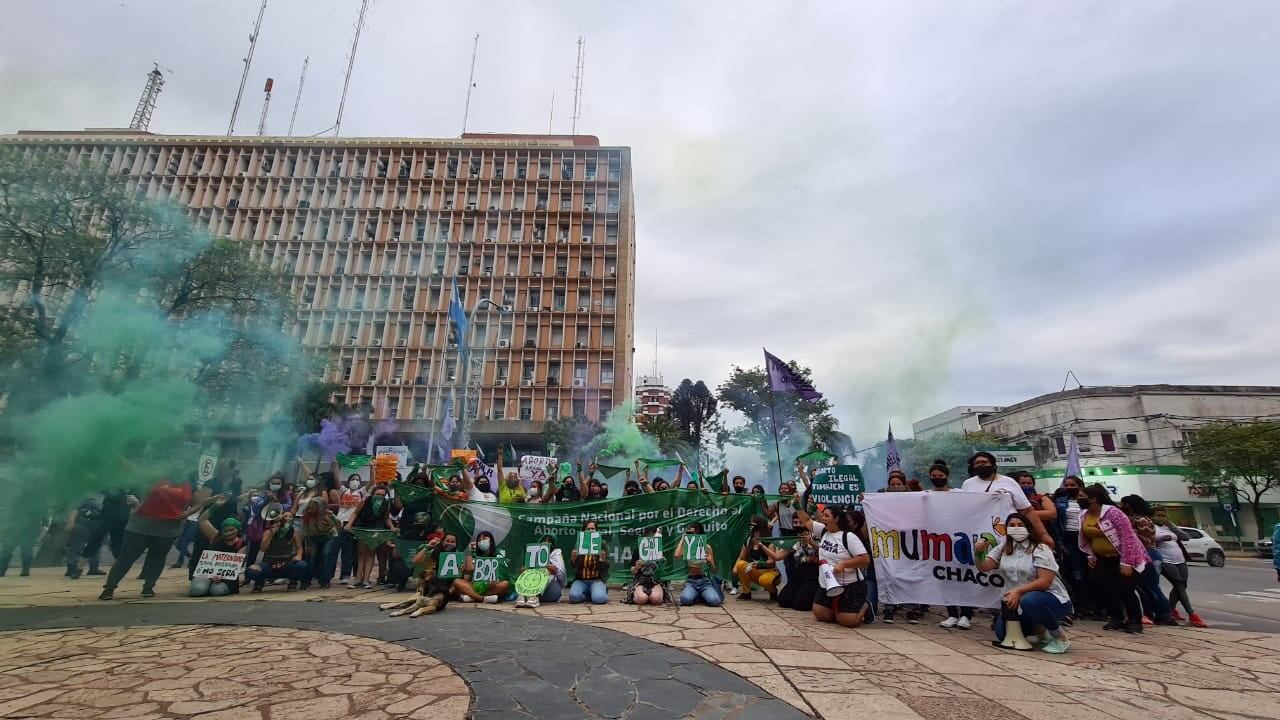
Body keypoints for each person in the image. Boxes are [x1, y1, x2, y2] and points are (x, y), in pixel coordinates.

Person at [976, 514, 1073, 654]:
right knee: (1003, 634)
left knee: (1030, 600)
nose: (1016, 529)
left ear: (1028, 528)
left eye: (1021, 525)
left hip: (1050, 600)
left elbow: (1045, 581)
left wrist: (1019, 591)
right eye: (1012, 525)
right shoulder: (1003, 548)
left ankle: (1059, 636)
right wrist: (979, 553)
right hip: (1017, 603)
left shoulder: (1040, 549)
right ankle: (1040, 629)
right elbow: (984, 567)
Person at [99, 473, 203, 600]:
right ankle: (109, 588)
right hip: (141, 525)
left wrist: (187, 512)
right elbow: (139, 489)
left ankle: (148, 587)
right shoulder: (156, 475)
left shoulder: (191, 484)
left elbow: (198, 503)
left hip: (168, 528)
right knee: (126, 557)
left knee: (157, 558)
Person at [1077, 484, 1146, 633]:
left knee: (1126, 588)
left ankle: (1134, 620)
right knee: (1105, 587)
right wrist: (1090, 554)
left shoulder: (1113, 513)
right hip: (1102, 558)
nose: (1078, 499)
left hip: (1123, 557)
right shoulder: (1084, 515)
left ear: (1093, 498)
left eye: (1082, 496)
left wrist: (1126, 562)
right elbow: (1085, 537)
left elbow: (1127, 537)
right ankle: (1117, 618)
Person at [797, 505, 871, 627]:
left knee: (847, 622)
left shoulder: (848, 537)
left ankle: (865, 606)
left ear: (836, 519)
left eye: (827, 516)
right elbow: (806, 521)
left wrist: (843, 564)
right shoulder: (823, 531)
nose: (823, 518)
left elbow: (864, 559)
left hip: (849, 584)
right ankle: (839, 610)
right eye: (823, 515)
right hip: (827, 583)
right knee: (821, 615)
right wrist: (797, 506)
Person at [961, 452, 1052, 548]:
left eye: (984, 462)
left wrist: (1043, 535)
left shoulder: (1008, 482)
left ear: (993, 465)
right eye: (977, 463)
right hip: (980, 532)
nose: (980, 464)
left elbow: (1027, 510)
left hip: (1008, 532)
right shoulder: (968, 484)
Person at [1120, 494, 1176, 626]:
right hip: (1154, 554)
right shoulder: (1147, 519)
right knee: (1149, 587)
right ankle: (1157, 614)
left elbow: (1137, 540)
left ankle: (1164, 614)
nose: (1120, 507)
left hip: (1144, 555)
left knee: (1149, 587)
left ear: (1128, 505)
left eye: (1123, 504)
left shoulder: (1135, 520)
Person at [380, 533, 455, 617]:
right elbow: (415, 561)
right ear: (442, 541)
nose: (449, 543)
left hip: (444, 589)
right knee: (417, 598)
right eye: (447, 541)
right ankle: (395, 605)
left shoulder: (458, 556)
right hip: (431, 585)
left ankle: (406, 606)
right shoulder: (435, 552)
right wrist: (427, 547)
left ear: (456, 544)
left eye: (452, 542)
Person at [1151, 506, 1203, 627]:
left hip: (1180, 559)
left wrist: (1170, 525)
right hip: (1165, 559)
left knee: (1182, 585)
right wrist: (1161, 538)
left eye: (1163, 515)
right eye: (1158, 515)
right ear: (1152, 516)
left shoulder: (1168, 526)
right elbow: (1149, 538)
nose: (1161, 518)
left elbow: (1185, 537)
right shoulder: (1151, 526)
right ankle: (1192, 613)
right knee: (1179, 584)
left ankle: (1170, 609)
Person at [1052, 475, 1096, 619]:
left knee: (1094, 574)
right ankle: (1084, 606)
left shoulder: (1089, 502)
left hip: (1089, 538)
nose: (1069, 488)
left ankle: (1098, 607)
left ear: (1080, 485)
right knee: (1077, 575)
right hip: (1070, 540)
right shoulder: (1060, 502)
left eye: (1072, 485)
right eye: (1067, 485)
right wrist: (1060, 543)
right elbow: (1056, 524)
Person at [189, 499, 247, 598]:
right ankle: (205, 586)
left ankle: (210, 587)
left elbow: (236, 566)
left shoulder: (242, 544)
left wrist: (221, 576)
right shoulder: (215, 536)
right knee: (197, 590)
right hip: (207, 574)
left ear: (238, 529)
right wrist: (215, 506)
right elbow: (202, 520)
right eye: (226, 530)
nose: (229, 532)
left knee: (217, 591)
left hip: (227, 577)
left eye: (232, 529)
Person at [345, 483, 395, 589]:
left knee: (371, 554)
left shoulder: (386, 503)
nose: (380, 497)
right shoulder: (365, 501)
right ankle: (358, 578)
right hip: (363, 528)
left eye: (382, 495)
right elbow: (355, 513)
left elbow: (386, 517)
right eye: (377, 494)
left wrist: (392, 528)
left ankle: (366, 579)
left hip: (376, 530)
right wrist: (349, 524)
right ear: (373, 494)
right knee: (361, 554)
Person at [246, 507, 309, 591]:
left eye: (290, 517)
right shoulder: (268, 532)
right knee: (250, 571)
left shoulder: (293, 532)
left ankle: (293, 581)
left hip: (286, 563)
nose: (287, 519)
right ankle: (259, 582)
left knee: (302, 565)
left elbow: (299, 548)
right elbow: (262, 549)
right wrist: (271, 535)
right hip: (269, 564)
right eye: (285, 516)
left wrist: (299, 555)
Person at [766, 525, 819, 611]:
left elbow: (823, 553)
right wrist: (762, 545)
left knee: (800, 604)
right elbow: (777, 557)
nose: (801, 532)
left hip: (812, 577)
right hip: (797, 577)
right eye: (795, 522)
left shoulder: (817, 539)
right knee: (783, 601)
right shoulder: (794, 543)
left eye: (804, 530)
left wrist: (812, 543)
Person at [82, 488, 135, 576]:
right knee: (94, 542)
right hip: (107, 518)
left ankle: (118, 569)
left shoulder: (132, 488)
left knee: (117, 545)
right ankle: (79, 567)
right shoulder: (111, 487)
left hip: (120, 520)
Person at [452, 531, 511, 603]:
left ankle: (472, 597)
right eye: (479, 540)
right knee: (457, 582)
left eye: (484, 538)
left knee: (505, 584)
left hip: (491, 585)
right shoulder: (475, 554)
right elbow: (469, 569)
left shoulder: (498, 553)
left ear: (491, 541)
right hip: (475, 585)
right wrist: (470, 550)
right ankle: (482, 599)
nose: (481, 541)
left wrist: (496, 580)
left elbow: (502, 571)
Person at [675, 521, 722, 607]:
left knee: (715, 601)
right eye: (691, 533)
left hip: (705, 581)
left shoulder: (707, 547)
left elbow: (714, 571)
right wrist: (683, 538)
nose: (693, 535)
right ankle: (698, 595)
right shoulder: (688, 548)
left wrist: (710, 561)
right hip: (692, 581)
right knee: (685, 599)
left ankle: (701, 595)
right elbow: (677, 555)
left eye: (696, 532)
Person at [734, 517, 779, 601]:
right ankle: (746, 593)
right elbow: (741, 557)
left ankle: (773, 592)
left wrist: (759, 564)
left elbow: (772, 562)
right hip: (755, 570)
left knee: (764, 580)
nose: (751, 525)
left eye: (753, 523)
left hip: (770, 571)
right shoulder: (749, 540)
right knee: (740, 564)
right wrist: (735, 568)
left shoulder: (769, 542)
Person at [300, 496, 341, 589]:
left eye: (312, 508)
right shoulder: (306, 515)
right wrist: (308, 545)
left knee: (326, 555)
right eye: (309, 508)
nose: (310, 510)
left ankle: (325, 581)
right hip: (313, 537)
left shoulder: (327, 514)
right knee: (310, 556)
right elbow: (305, 532)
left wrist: (332, 517)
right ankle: (306, 581)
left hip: (329, 536)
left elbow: (338, 525)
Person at [516, 533, 566, 607]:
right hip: (534, 590)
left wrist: (546, 566)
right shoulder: (533, 554)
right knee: (527, 571)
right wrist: (525, 569)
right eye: (544, 540)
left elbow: (561, 575)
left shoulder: (556, 553)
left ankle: (534, 597)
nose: (546, 542)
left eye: (549, 541)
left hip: (552, 592)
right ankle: (522, 596)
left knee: (546, 571)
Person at [569, 520, 610, 604]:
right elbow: (572, 566)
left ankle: (599, 592)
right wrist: (573, 559)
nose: (591, 530)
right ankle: (589, 595)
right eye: (588, 529)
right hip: (580, 580)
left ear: (596, 530)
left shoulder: (602, 543)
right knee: (573, 597)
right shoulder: (579, 544)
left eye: (593, 528)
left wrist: (602, 560)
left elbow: (608, 564)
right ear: (584, 530)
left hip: (597, 580)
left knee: (599, 599)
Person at [625, 528, 669, 605]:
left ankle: (652, 595)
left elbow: (662, 574)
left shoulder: (660, 551)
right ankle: (641, 595)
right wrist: (636, 567)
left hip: (655, 581)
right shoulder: (638, 550)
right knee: (642, 599)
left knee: (656, 599)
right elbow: (633, 571)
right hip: (640, 581)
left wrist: (662, 564)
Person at [335, 474, 365, 583]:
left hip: (355, 523)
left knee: (356, 551)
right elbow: (337, 478)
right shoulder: (343, 491)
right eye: (353, 479)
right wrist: (336, 463)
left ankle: (358, 575)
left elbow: (372, 481)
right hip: (341, 522)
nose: (355, 481)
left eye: (357, 479)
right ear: (348, 481)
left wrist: (372, 468)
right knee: (346, 551)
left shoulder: (361, 492)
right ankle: (345, 575)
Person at [63, 496, 100, 579]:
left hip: (95, 522)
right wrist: (71, 521)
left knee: (95, 545)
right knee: (76, 545)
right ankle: (71, 568)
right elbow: (75, 509)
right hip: (81, 523)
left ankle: (94, 568)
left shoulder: (101, 495)